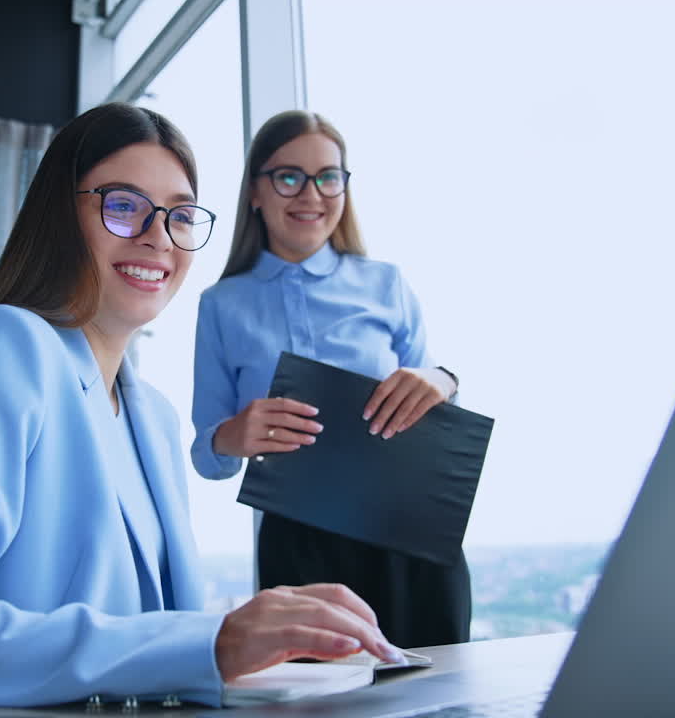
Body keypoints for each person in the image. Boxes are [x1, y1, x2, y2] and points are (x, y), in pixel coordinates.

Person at [0, 103, 406, 709]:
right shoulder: (7, 346)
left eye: (179, 215)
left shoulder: (155, 421)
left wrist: (252, 636)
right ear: (62, 215)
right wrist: (209, 643)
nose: (156, 236)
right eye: (122, 205)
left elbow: (147, 646)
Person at [190, 110, 469, 649]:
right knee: (314, 701)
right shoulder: (221, 305)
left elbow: (432, 397)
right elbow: (208, 455)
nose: (311, 194)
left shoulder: (386, 283)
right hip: (299, 544)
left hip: (410, 528)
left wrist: (442, 379)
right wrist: (233, 435)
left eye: (328, 177)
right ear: (255, 192)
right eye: (289, 176)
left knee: (438, 695)